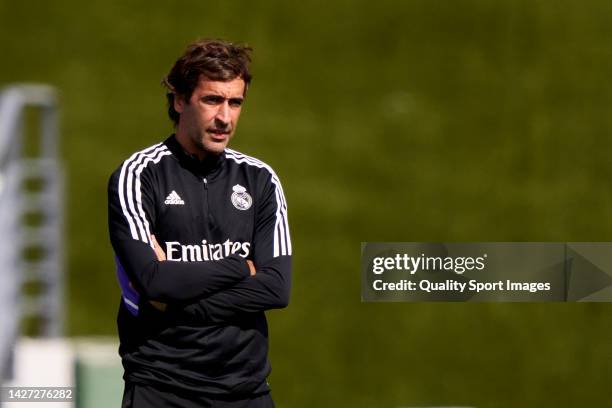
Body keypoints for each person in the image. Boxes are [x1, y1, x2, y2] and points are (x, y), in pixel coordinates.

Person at [107, 38, 292, 408]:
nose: (225, 117)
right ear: (179, 101)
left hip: (246, 391)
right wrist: (240, 267)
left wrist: (175, 304)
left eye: (235, 102)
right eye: (212, 100)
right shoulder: (139, 176)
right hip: (160, 387)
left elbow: (275, 288)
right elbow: (152, 280)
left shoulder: (260, 180)